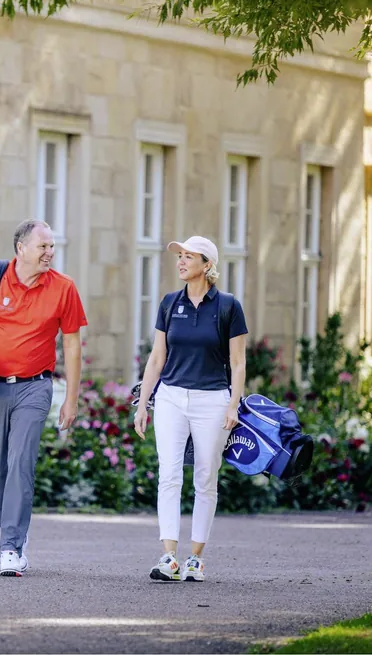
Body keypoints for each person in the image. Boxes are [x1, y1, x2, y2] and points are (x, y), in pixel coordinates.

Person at [0, 218, 88, 577]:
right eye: (43, 247)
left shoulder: (64, 288)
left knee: (21, 462)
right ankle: (15, 531)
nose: (50, 253)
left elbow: (71, 345)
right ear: (20, 249)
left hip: (34, 387)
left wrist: (71, 399)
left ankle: (10, 545)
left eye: (52, 246)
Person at [132, 236, 248, 582]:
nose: (181, 262)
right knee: (168, 474)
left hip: (212, 400)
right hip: (170, 397)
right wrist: (143, 404)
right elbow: (157, 358)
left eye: (188, 256)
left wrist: (233, 404)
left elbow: (238, 363)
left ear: (207, 265)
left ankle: (195, 558)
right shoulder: (170, 303)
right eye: (179, 256)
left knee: (204, 477)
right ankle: (169, 556)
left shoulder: (228, 306)